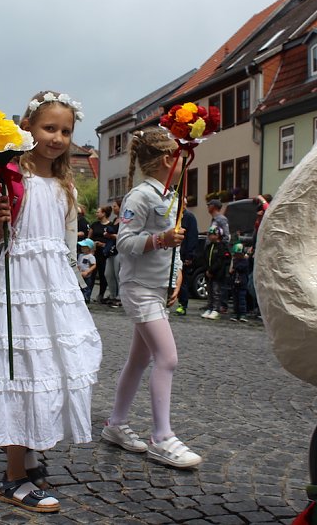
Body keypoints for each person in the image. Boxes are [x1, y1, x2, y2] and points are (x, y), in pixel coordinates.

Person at [0, 90, 101, 513]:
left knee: (50, 369)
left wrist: (74, 279)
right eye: (50, 128)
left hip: (54, 289)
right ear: (27, 127)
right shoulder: (10, 178)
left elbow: (65, 243)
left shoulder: (65, 184)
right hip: (19, 288)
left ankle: (28, 456)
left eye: (66, 130)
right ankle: (12, 477)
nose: (58, 137)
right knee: (21, 372)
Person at [101, 127, 202, 469]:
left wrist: (177, 277)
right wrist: (160, 239)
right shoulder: (140, 197)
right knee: (167, 358)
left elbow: (170, 248)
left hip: (157, 289)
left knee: (139, 360)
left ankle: (115, 424)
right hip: (139, 288)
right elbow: (125, 242)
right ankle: (162, 437)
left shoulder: (167, 195)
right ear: (166, 160)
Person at [198, 225, 229, 320]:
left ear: (218, 235)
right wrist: (206, 269)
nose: (211, 236)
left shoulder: (222, 247)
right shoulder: (208, 246)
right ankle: (210, 307)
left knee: (216, 291)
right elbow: (204, 259)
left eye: (213, 234)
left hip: (217, 274)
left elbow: (220, 261)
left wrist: (212, 270)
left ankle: (216, 309)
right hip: (208, 274)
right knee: (209, 291)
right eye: (210, 234)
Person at [174, 203, 198, 317]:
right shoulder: (175, 216)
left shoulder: (189, 217)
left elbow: (192, 237)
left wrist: (190, 255)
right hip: (174, 252)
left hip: (184, 254)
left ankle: (183, 305)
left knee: (183, 281)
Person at [88, 205, 112, 303]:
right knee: (91, 274)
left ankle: (101, 294)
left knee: (103, 274)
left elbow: (111, 240)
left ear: (104, 213)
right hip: (94, 252)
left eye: (98, 212)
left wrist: (103, 244)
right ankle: (87, 294)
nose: (96, 214)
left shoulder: (110, 226)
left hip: (104, 253)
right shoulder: (94, 225)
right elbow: (89, 237)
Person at [102, 198, 122, 307]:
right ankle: (113, 295)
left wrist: (112, 235)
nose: (113, 208)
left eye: (115, 206)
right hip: (111, 250)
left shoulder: (125, 220)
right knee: (108, 273)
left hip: (119, 249)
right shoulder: (115, 220)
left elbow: (123, 236)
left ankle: (120, 297)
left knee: (118, 273)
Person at [77, 238, 97, 303]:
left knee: (86, 287)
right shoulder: (80, 255)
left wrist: (87, 271)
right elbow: (79, 264)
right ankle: (81, 297)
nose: (82, 248)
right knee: (80, 286)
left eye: (84, 247)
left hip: (87, 275)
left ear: (89, 248)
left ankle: (86, 298)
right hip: (80, 274)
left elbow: (94, 265)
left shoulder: (90, 256)